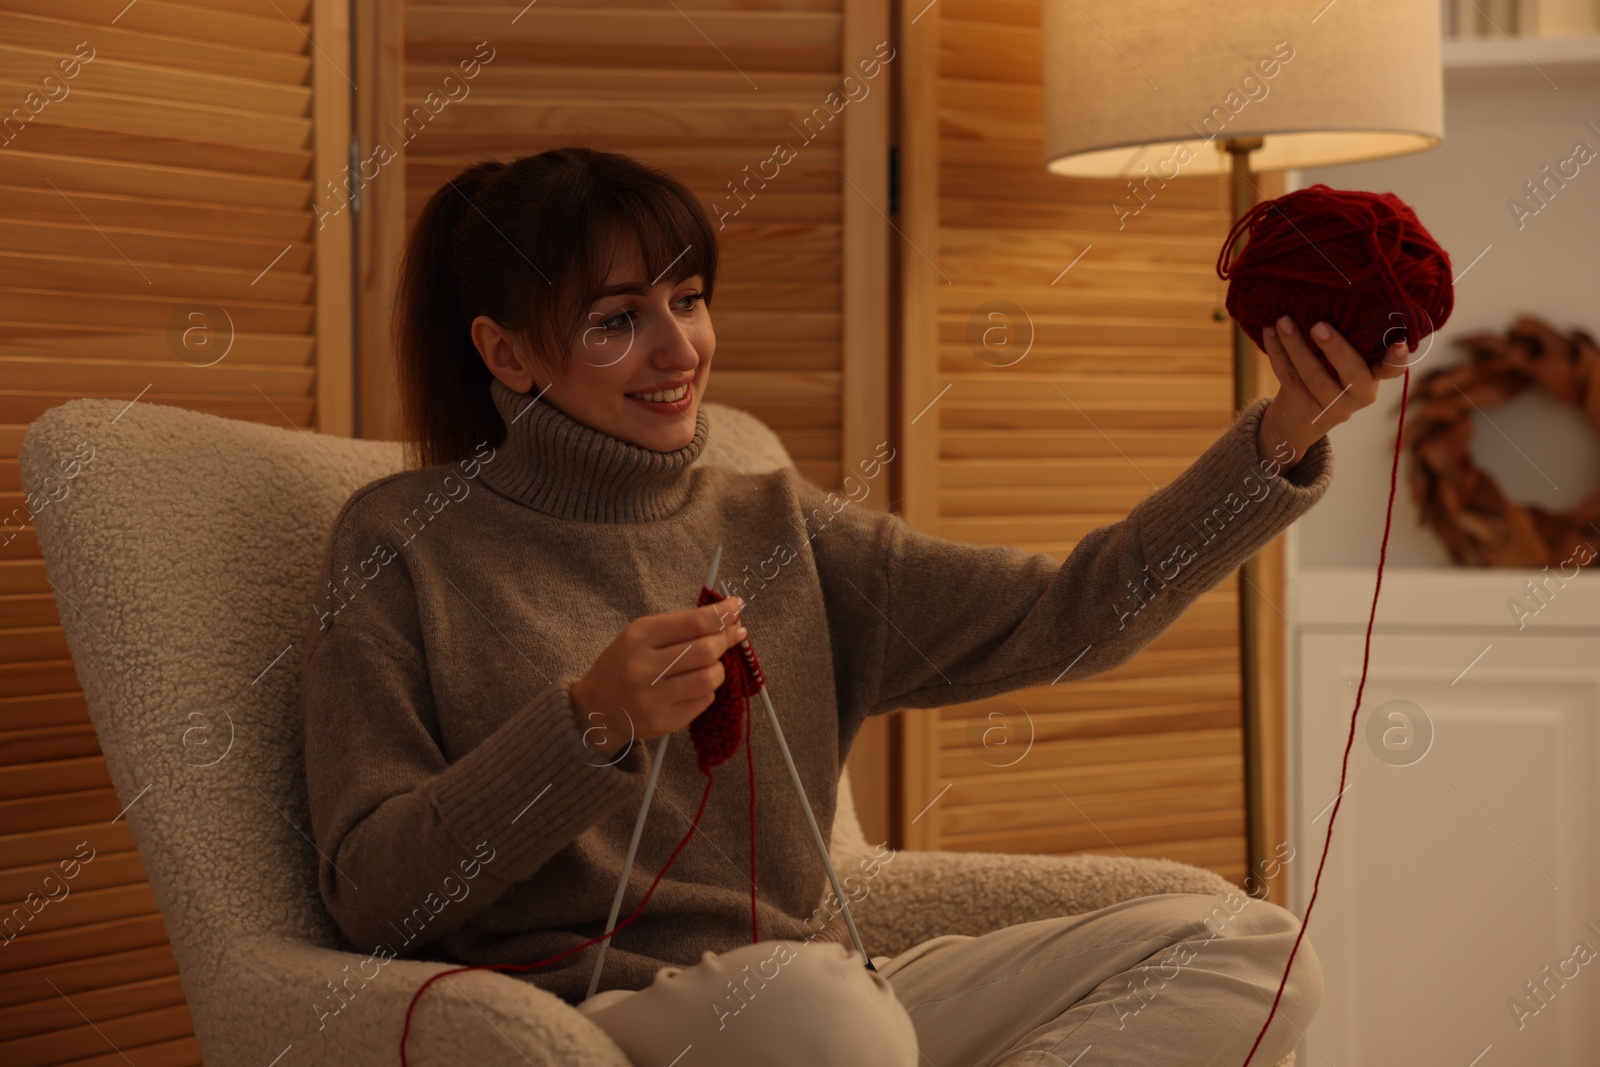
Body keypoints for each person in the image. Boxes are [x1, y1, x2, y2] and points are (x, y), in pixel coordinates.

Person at [299, 146, 1407, 1065]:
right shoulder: (401, 543)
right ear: (507, 350)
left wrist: (1281, 437)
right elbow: (373, 891)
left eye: (687, 299)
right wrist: (585, 721)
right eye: (615, 320)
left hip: (831, 1003)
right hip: (580, 1019)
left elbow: (1076, 610)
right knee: (813, 1010)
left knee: (1249, 949)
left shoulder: (781, 524)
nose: (679, 348)